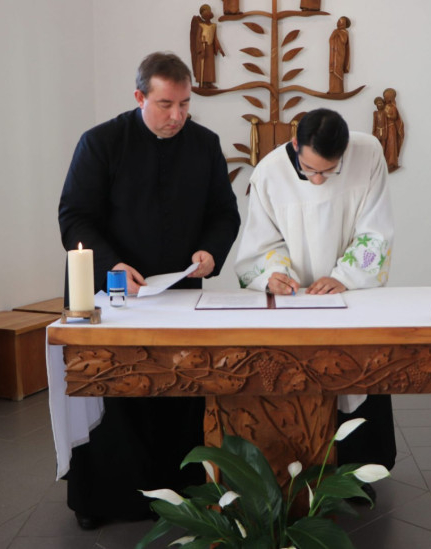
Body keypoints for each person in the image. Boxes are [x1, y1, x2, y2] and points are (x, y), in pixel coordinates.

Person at [57, 51, 241, 529]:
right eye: (165, 104)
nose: (177, 115)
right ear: (139, 97)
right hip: (116, 294)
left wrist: (210, 251)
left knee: (180, 392)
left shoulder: (204, 144)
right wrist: (112, 265)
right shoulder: (101, 142)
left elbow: (224, 213)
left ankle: (181, 494)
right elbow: (75, 216)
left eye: (185, 104)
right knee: (115, 394)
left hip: (179, 294)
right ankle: (106, 501)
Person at [234, 108, 396, 499]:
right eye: (310, 170)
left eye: (329, 170)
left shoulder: (368, 154)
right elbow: (260, 244)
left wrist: (345, 275)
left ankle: (357, 475)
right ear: (295, 145)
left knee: (355, 375)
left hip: (348, 293)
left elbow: (376, 229)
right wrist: (276, 275)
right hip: (295, 299)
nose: (319, 179)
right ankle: (296, 474)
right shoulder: (270, 172)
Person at [190, 4, 225, 89]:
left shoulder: (214, 26)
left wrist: (220, 48)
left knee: (210, 66)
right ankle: (202, 83)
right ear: (202, 15)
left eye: (208, 11)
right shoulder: (201, 26)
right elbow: (198, 38)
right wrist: (201, 49)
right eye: (205, 12)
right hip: (203, 47)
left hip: (210, 48)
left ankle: (209, 82)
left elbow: (215, 38)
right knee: (202, 65)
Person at [328, 16, 351, 94]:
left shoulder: (344, 32)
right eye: (338, 21)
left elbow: (343, 41)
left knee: (338, 70)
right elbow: (330, 40)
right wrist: (335, 33)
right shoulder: (335, 31)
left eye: (340, 21)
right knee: (332, 71)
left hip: (340, 54)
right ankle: (332, 90)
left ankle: (338, 90)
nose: (338, 23)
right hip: (333, 54)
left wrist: (338, 33)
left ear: (344, 24)